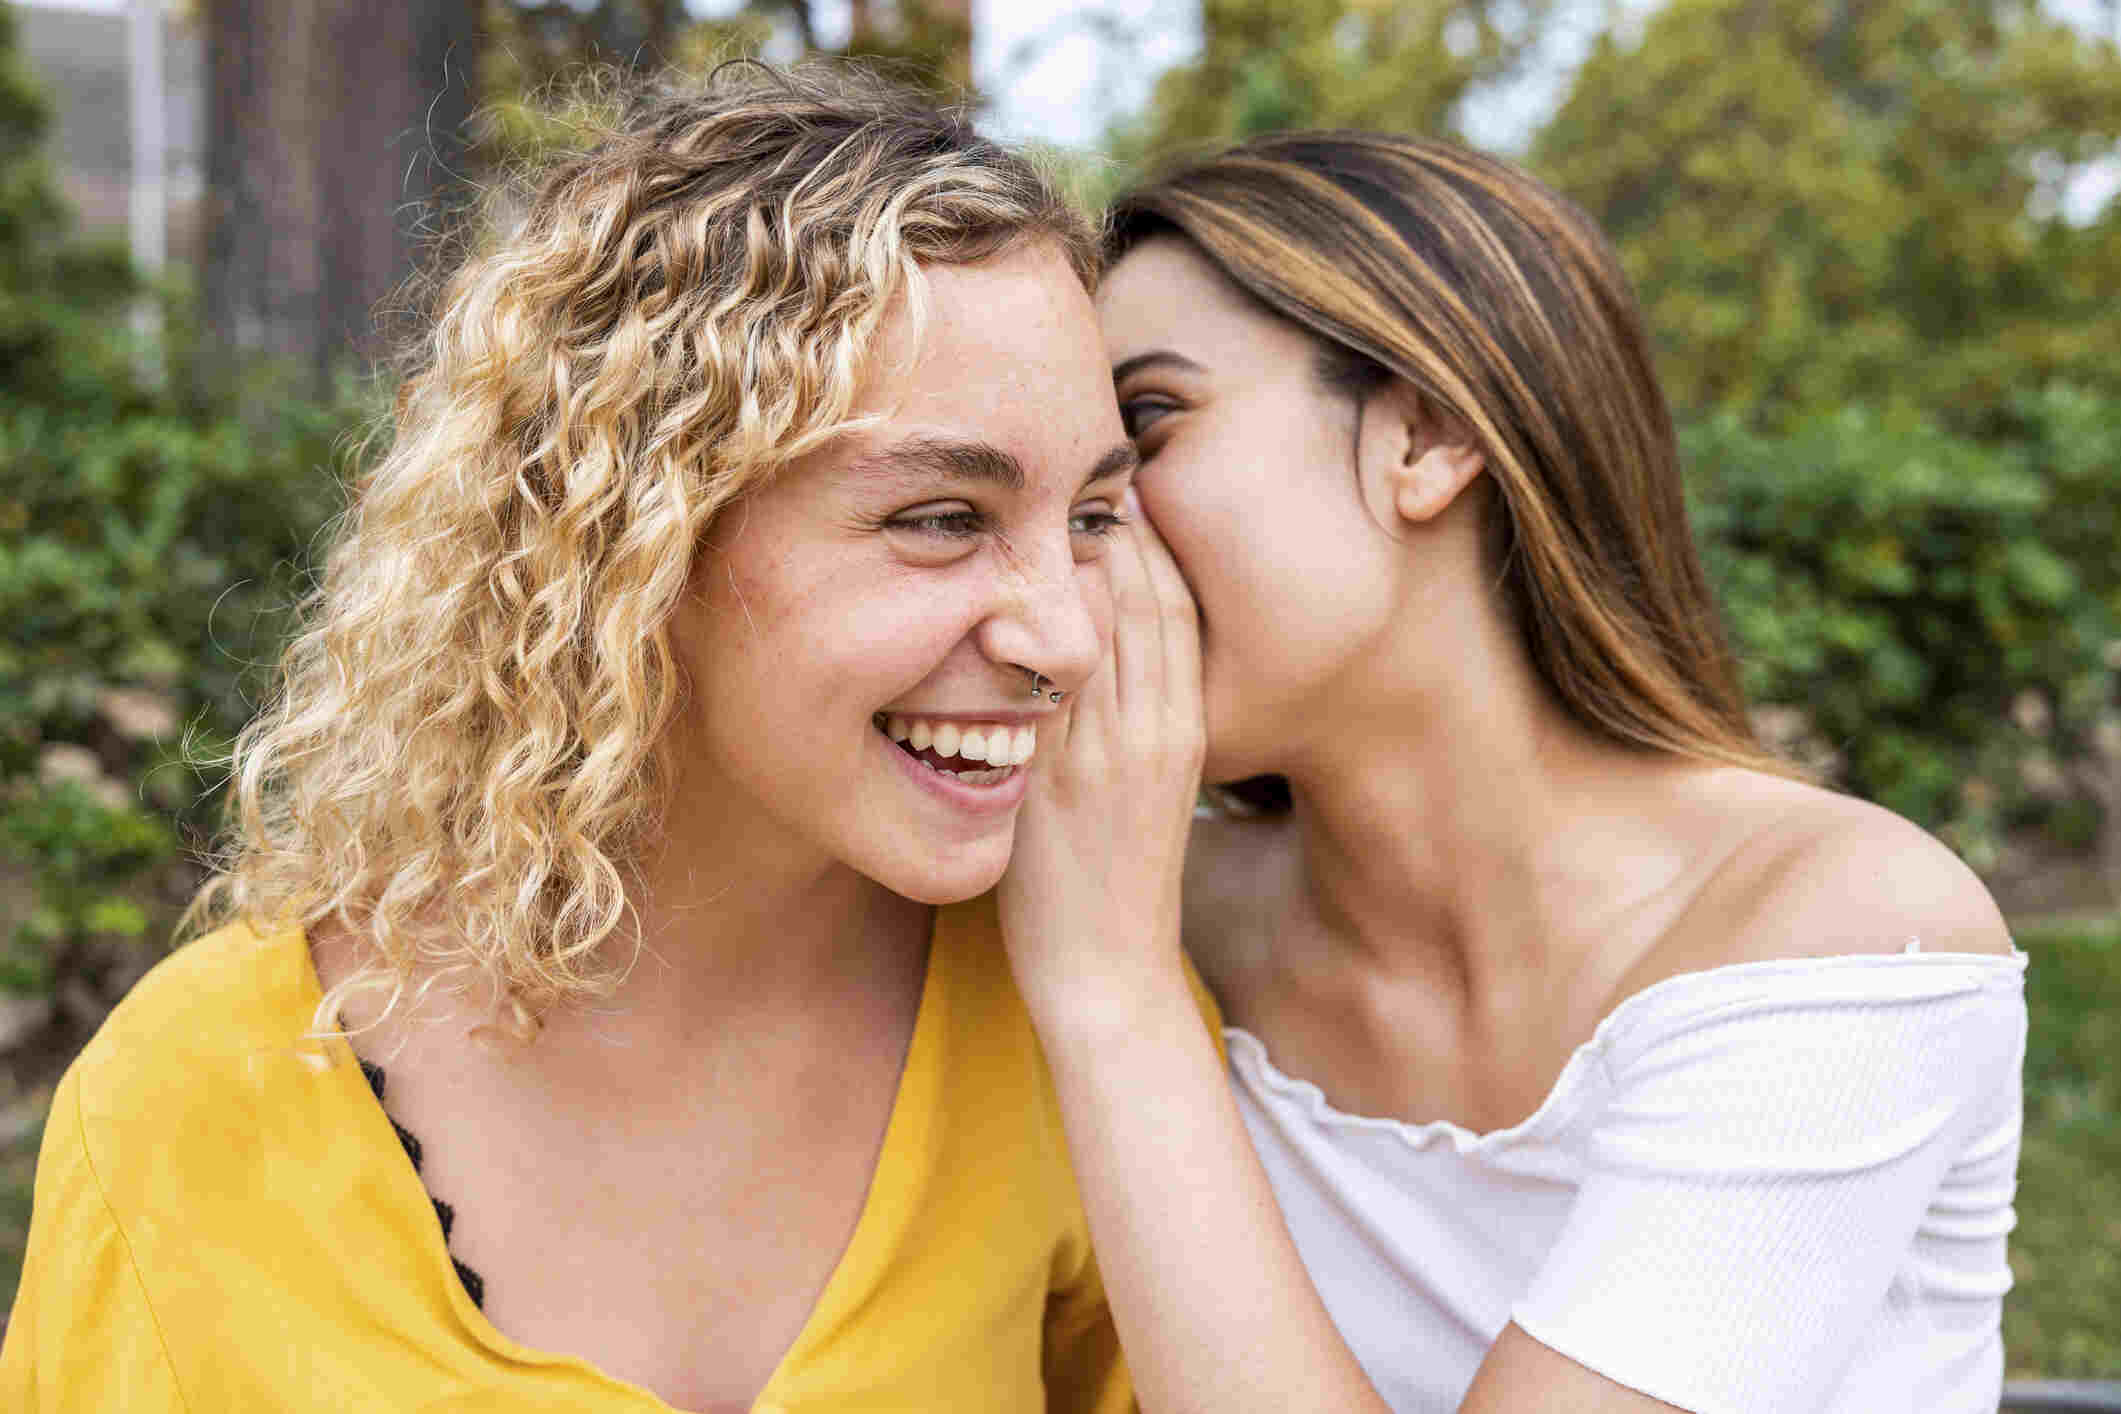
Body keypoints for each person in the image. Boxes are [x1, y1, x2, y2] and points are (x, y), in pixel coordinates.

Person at [1, 64, 1184, 1412]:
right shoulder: (188, 1108)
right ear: (630, 537)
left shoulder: (1081, 1022)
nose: (1068, 638)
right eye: (941, 518)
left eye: (1093, 517)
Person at [996, 132, 2026, 1414]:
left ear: (1423, 434)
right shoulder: (1141, 900)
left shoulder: (1837, 927)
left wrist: (1116, 1002)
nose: (1089, 535)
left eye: (1146, 426)